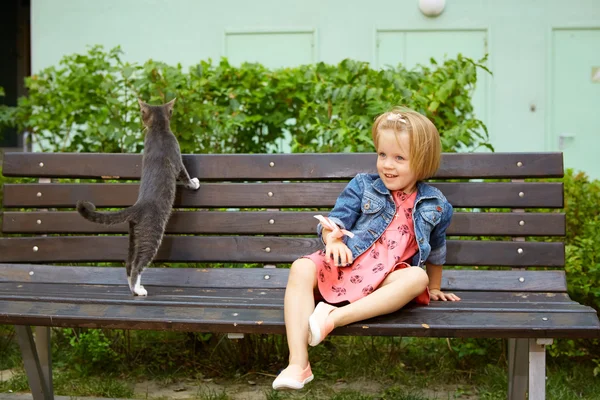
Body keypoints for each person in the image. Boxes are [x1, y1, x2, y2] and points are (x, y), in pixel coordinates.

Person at [272, 107, 461, 391]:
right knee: (301, 267)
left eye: (399, 158)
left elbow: (436, 248)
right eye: (382, 155)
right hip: (347, 264)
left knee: (416, 278)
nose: (387, 165)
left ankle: (333, 318)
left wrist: (434, 286)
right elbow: (335, 219)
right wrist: (331, 238)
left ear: (422, 162)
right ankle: (298, 364)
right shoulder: (363, 186)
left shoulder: (436, 204)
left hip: (385, 279)